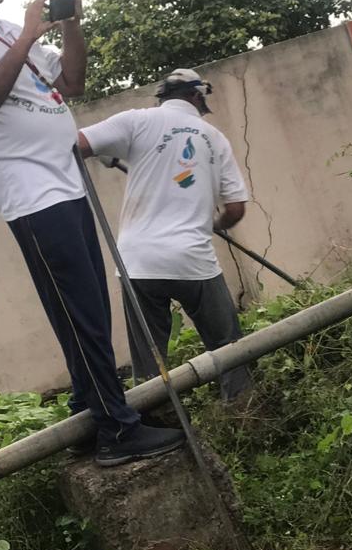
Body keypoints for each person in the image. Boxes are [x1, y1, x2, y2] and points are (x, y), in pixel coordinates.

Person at [0, 0, 184, 467]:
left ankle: (90, 410)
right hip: (32, 195)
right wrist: (26, 36)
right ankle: (116, 430)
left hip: (66, 184)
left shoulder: (1, 30)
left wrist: (70, 27)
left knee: (88, 307)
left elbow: (72, 80)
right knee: (80, 310)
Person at [78, 69, 253, 402]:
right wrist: (212, 224)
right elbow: (235, 209)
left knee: (149, 358)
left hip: (138, 262)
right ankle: (241, 409)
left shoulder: (137, 120)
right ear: (198, 96)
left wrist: (105, 152)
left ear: (163, 96)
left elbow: (76, 145)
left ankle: (156, 415)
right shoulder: (214, 137)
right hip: (193, 259)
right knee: (228, 347)